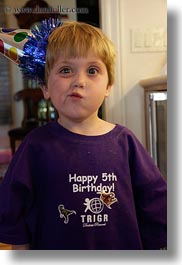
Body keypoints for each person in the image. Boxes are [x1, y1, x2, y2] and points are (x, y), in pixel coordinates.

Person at [0, 20, 167, 250]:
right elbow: (13, 211)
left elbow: (157, 206)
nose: (79, 81)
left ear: (108, 86)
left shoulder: (126, 143)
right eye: (66, 70)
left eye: (92, 70)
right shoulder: (34, 147)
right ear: (45, 87)